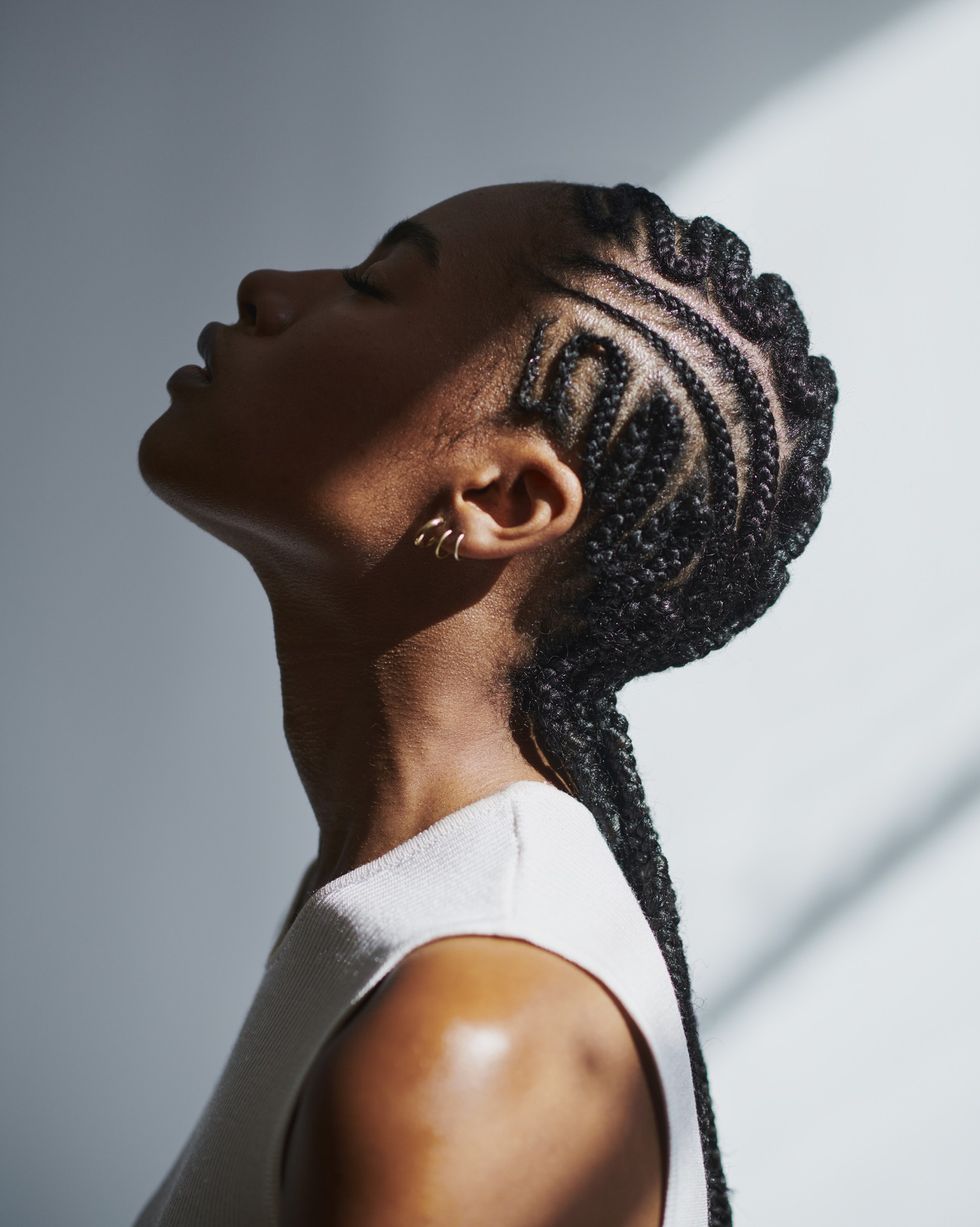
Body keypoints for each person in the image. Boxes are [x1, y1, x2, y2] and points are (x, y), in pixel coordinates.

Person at [133, 180, 838, 1227]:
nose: (269, 289)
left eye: (371, 286)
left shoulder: (471, 1029)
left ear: (503, 501)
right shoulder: (398, 898)